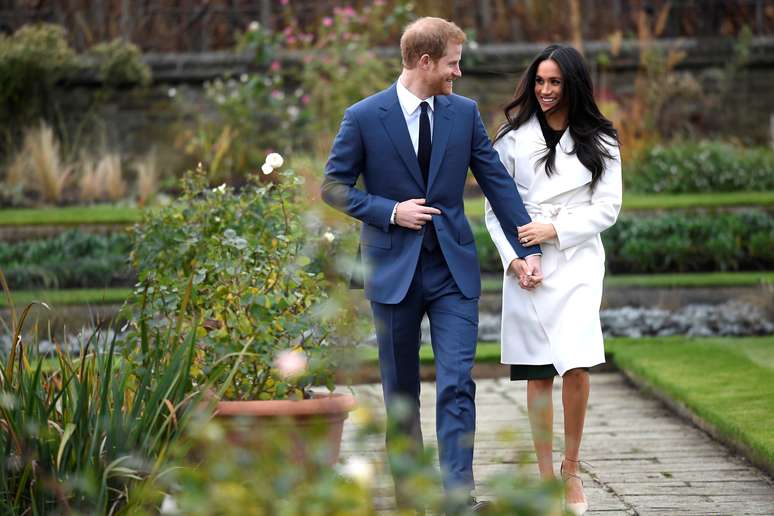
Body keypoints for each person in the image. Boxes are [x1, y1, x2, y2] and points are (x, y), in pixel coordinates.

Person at [322, 17, 542, 513]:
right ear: (425, 62)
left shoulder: (463, 114)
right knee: (400, 394)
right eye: (452, 63)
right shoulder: (363, 116)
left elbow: (496, 183)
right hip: (392, 272)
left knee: (457, 382)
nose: (458, 73)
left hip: (452, 271)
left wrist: (527, 247)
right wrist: (389, 211)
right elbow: (333, 187)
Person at [484, 44, 622, 516]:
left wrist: (556, 231)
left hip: (577, 262)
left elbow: (608, 208)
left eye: (555, 82)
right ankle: (545, 478)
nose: (545, 91)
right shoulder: (510, 138)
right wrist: (516, 259)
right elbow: (493, 208)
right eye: (539, 81)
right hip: (530, 266)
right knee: (537, 370)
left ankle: (571, 467)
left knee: (577, 365)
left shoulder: (601, 139)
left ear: (573, 85)